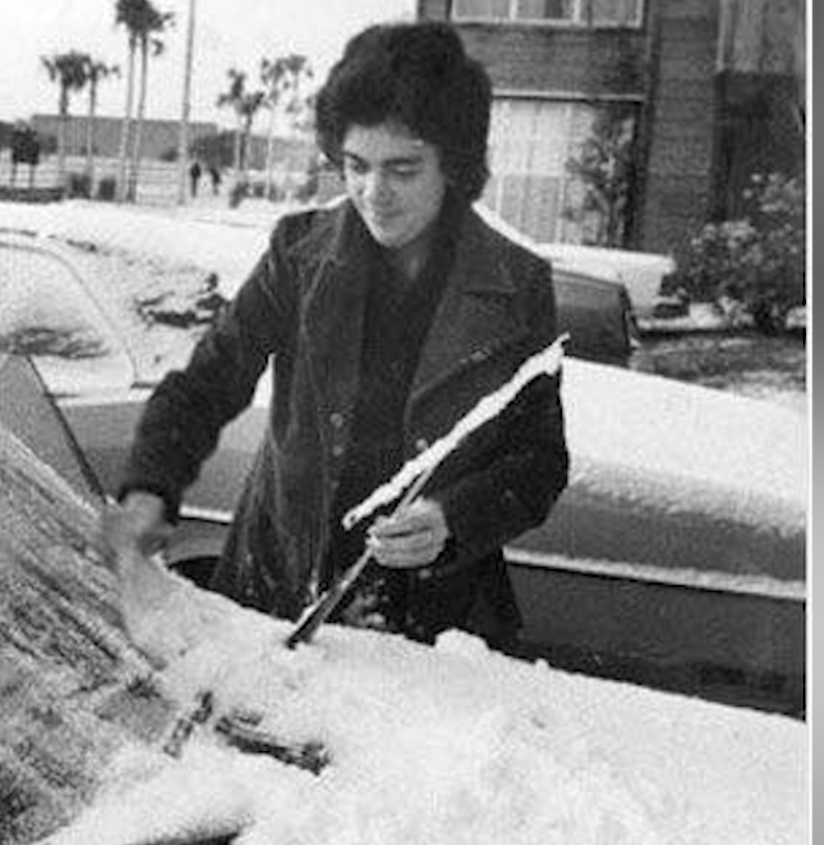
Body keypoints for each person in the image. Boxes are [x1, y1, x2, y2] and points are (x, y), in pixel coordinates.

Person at [99, 21, 568, 650]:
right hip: (278, 590)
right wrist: (148, 489)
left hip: (434, 623)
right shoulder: (298, 255)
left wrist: (453, 519)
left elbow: (538, 461)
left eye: (403, 169)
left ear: (453, 165)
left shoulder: (519, 283)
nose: (375, 193)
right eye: (356, 166)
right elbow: (206, 383)